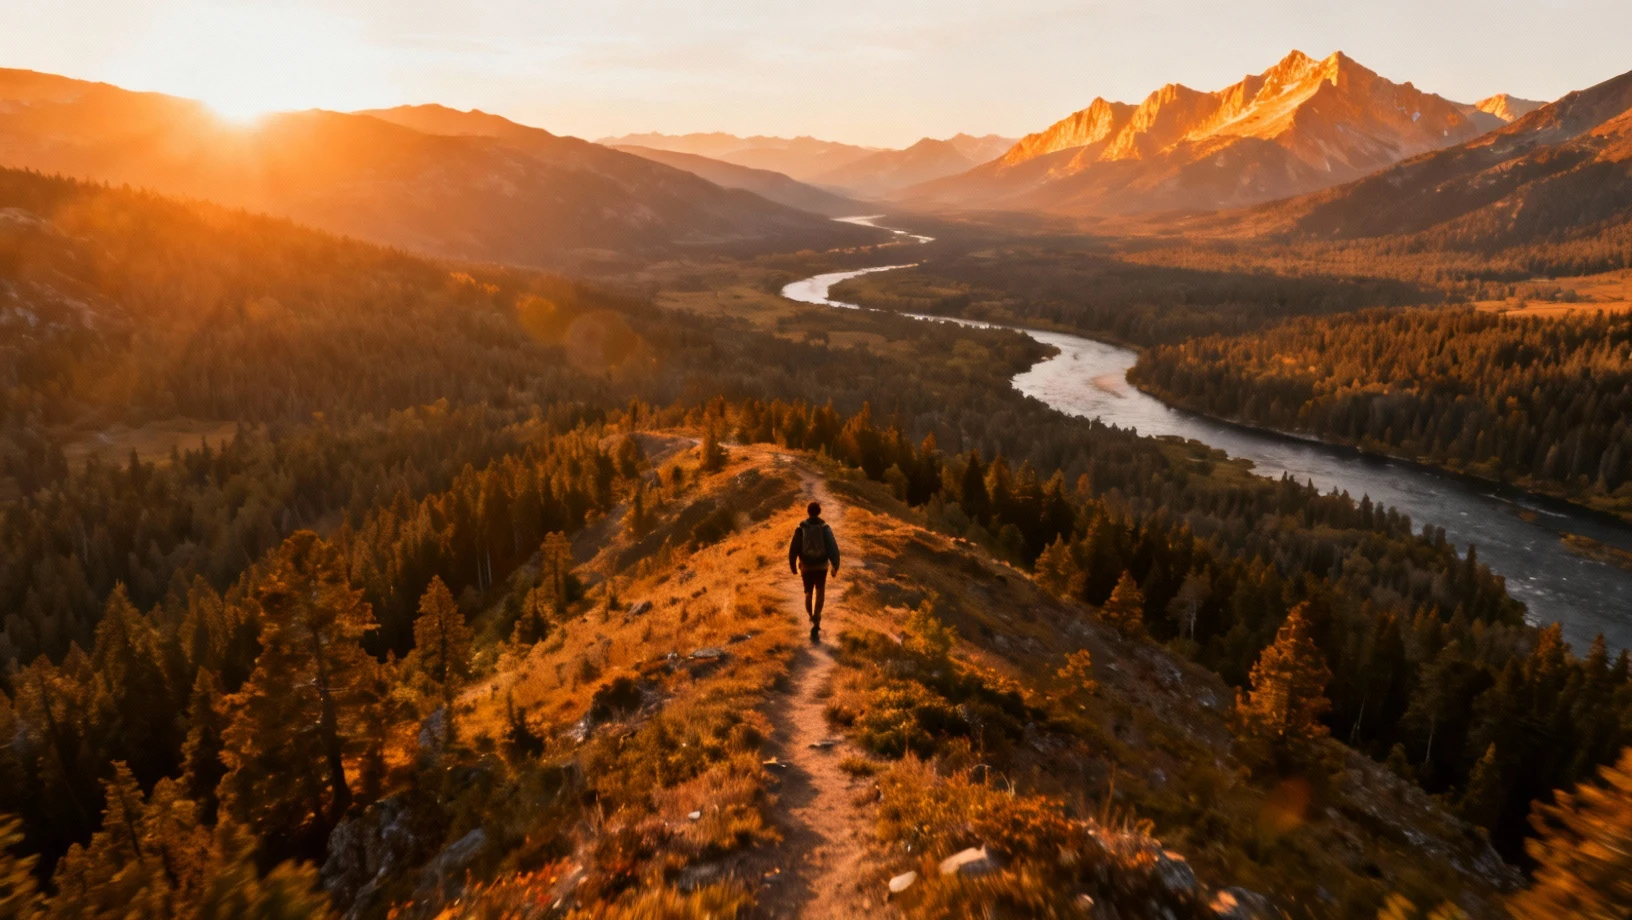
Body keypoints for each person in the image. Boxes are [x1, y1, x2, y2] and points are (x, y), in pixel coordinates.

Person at [788, 500, 840, 642]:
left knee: (808, 592)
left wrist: (793, 565)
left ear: (808, 512)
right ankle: (817, 618)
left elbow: (794, 548)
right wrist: (835, 565)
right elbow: (832, 547)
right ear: (819, 512)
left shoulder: (801, 528)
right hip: (821, 565)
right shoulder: (824, 528)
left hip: (806, 566)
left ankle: (810, 615)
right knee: (820, 591)